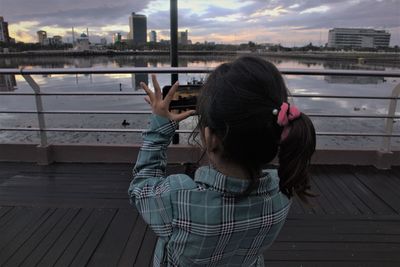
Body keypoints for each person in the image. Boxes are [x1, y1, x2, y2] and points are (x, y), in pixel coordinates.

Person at [128, 56, 316, 266]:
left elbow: (140, 188)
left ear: (211, 138)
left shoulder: (178, 198)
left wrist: (159, 127)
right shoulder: (283, 189)